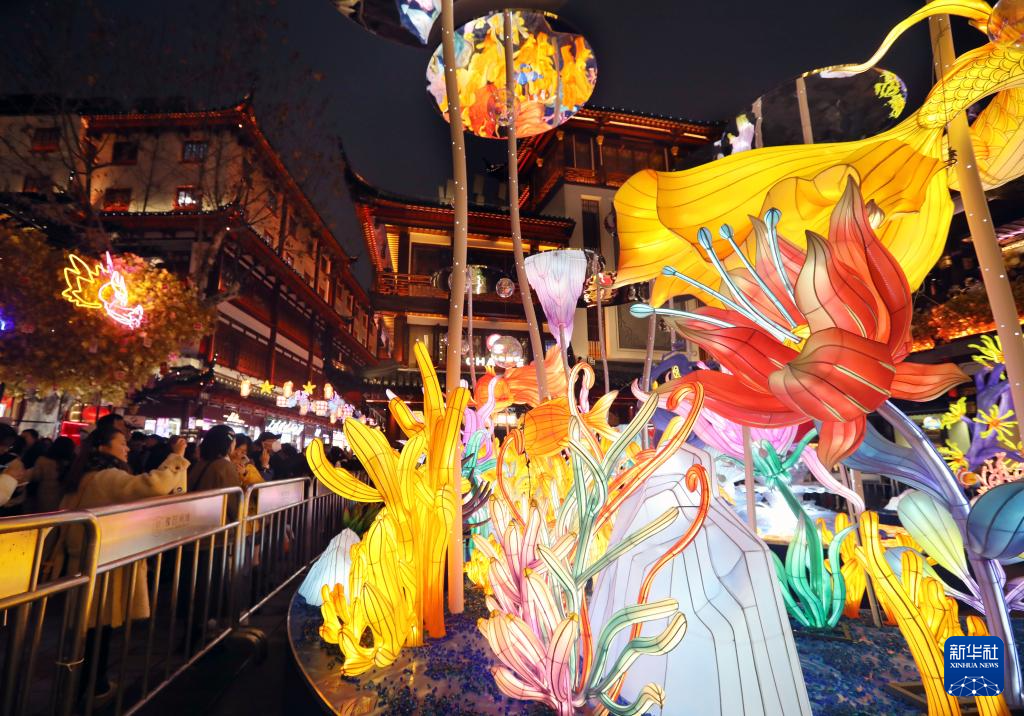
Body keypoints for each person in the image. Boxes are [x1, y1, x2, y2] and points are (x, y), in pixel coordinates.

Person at [58, 426, 188, 705]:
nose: (127, 448)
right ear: (103, 447)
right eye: (121, 443)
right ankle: (91, 687)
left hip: (85, 560)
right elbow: (153, 486)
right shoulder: (107, 477)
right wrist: (176, 457)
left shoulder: (83, 475)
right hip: (102, 561)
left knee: (90, 627)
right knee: (97, 629)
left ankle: (84, 685)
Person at [24, 436, 76, 513]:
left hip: (45, 494)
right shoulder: (74, 462)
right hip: (66, 497)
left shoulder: (43, 460)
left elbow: (36, 477)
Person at [187, 426, 242, 494]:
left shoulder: (199, 463)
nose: (235, 444)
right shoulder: (225, 466)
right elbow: (233, 497)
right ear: (229, 444)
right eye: (234, 441)